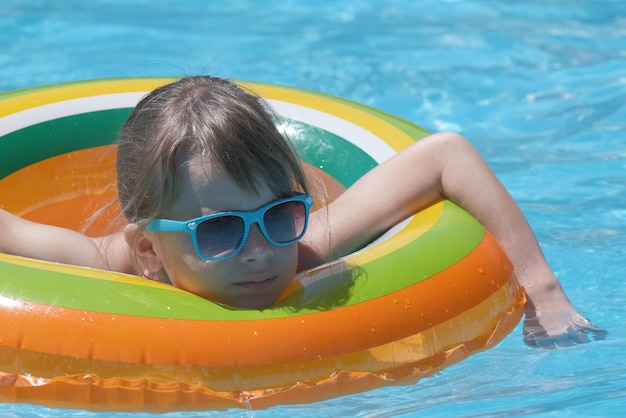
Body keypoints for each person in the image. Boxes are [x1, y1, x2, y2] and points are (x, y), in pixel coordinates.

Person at [0, 76, 606, 348]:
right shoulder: (105, 267)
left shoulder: (309, 244)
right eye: (218, 230)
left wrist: (544, 292)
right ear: (151, 250)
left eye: (280, 214)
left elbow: (446, 155)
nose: (261, 249)